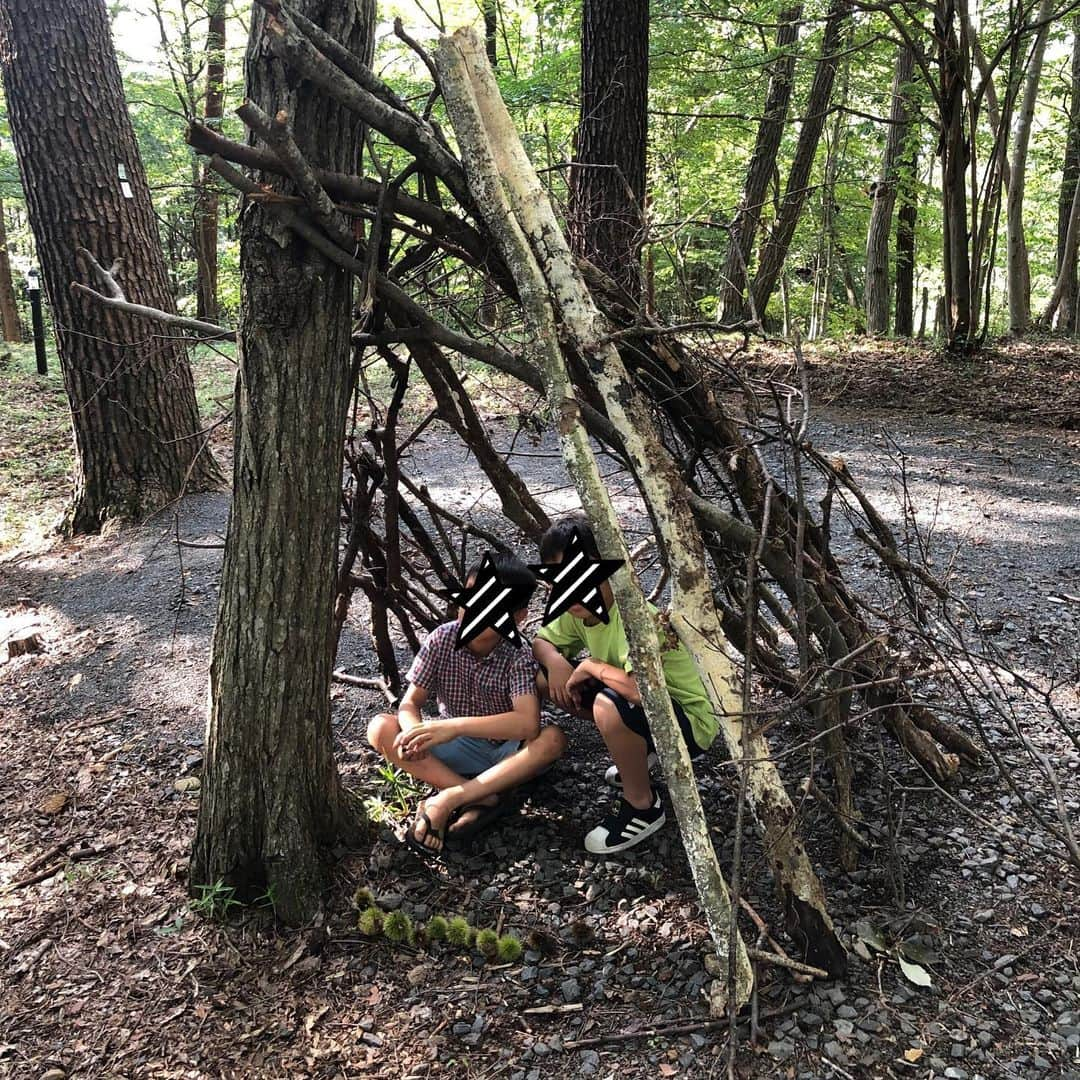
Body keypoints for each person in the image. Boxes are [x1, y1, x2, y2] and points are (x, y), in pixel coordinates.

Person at [532, 515, 719, 854]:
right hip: (647, 711)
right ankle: (640, 752)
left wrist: (590, 664)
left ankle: (643, 806)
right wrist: (557, 662)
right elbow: (541, 641)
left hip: (688, 724)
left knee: (610, 703)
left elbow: (639, 692)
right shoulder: (578, 610)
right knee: (546, 679)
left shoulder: (635, 616)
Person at [367, 552, 567, 856]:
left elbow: (527, 722)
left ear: (517, 616)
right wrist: (413, 732)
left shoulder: (517, 653)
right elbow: (410, 703)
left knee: (553, 739)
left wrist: (452, 726)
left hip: (506, 753)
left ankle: (449, 799)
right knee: (381, 727)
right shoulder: (441, 639)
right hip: (455, 749)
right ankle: (481, 797)